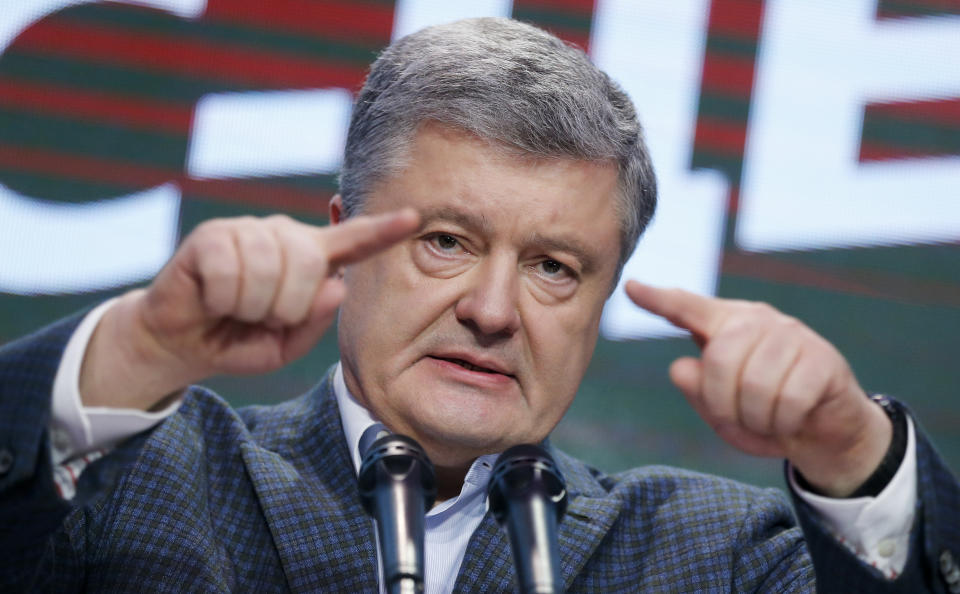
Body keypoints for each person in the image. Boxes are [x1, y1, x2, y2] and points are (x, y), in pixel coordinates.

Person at [0, 17, 957, 592]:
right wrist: (144, 343)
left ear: (602, 302)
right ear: (344, 238)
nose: (494, 310)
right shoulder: (145, 483)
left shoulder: (713, 554)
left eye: (554, 267)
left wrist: (848, 449)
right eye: (447, 243)